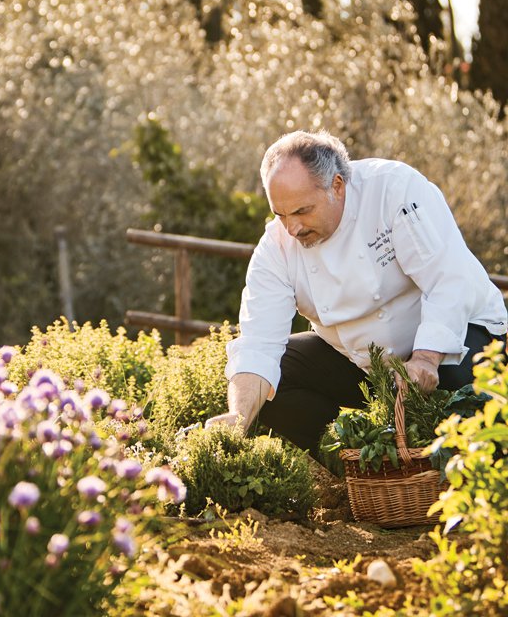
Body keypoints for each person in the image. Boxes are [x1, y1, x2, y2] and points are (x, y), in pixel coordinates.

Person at [205, 130, 508, 458]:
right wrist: (238, 417)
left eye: (302, 211)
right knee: (274, 383)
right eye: (281, 215)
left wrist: (425, 358)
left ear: (337, 186)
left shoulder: (395, 190)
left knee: (471, 396)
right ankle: (357, 462)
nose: (292, 228)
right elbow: (257, 345)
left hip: (459, 337)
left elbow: (447, 280)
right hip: (364, 363)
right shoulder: (276, 249)